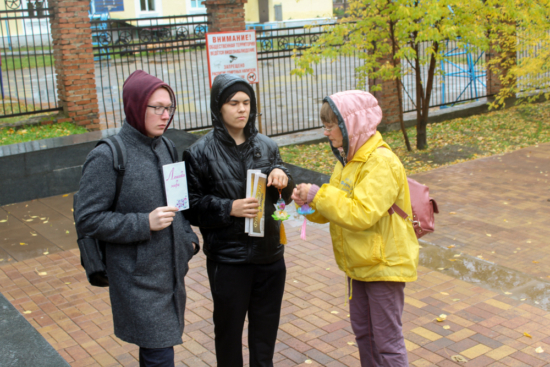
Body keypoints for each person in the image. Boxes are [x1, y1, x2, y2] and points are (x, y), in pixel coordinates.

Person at [75, 70, 199, 367]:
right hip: (136, 278)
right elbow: (88, 219)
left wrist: (189, 241)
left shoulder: (168, 147)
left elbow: (179, 204)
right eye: (156, 107)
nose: (165, 115)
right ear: (135, 105)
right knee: (159, 354)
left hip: (171, 272)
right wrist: (143, 223)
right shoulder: (108, 156)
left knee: (159, 348)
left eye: (169, 107)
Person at [291, 90, 419, 367]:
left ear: (351, 124)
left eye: (330, 125)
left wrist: (318, 194)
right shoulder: (350, 159)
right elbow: (335, 209)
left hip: (383, 265)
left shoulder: (381, 162)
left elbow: (361, 214)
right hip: (360, 263)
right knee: (365, 334)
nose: (326, 132)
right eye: (324, 125)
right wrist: (307, 204)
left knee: (387, 343)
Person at [183, 74, 294, 367]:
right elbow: (191, 208)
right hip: (229, 262)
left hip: (270, 258)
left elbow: (285, 198)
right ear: (219, 107)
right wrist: (228, 207)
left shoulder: (267, 146)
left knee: (265, 336)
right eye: (234, 103)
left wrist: (285, 179)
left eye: (246, 102)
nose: (241, 109)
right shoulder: (199, 153)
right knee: (229, 335)